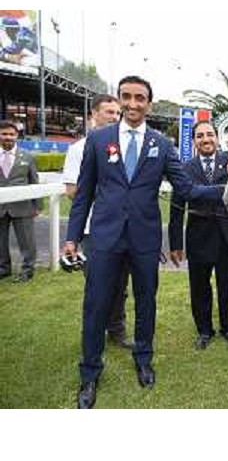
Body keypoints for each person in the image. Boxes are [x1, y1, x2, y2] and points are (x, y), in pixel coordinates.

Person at [64, 76, 225, 410]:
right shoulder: (97, 140)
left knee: (145, 302)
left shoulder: (161, 145)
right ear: (120, 100)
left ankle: (143, 358)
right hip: (105, 239)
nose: (133, 104)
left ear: (149, 103)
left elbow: (187, 190)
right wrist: (72, 238)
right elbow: (83, 195)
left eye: (140, 98)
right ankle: (90, 372)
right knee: (96, 305)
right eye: (127, 97)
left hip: (145, 240)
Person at [62, 94, 132, 348]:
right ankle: (95, 335)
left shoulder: (122, 144)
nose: (115, 117)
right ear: (93, 114)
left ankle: (117, 332)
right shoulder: (78, 148)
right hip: (95, 230)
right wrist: (109, 199)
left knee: (120, 286)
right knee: (98, 287)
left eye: (117, 113)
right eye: (109, 112)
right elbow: (72, 191)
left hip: (123, 228)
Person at [169, 121, 228, 348]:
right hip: (198, 237)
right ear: (194, 141)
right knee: (200, 287)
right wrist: (175, 244)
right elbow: (176, 209)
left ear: (217, 137)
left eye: (210, 134)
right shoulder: (185, 170)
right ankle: (204, 331)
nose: (206, 139)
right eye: (200, 136)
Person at [0, 120, 40, 283]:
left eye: (11, 134)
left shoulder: (28, 157)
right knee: (0, 242)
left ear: (17, 136)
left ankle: (28, 270)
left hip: (23, 207)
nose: (8, 137)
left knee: (27, 241)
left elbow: (34, 182)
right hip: (0, 207)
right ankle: (4, 269)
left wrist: (37, 205)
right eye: (4, 134)